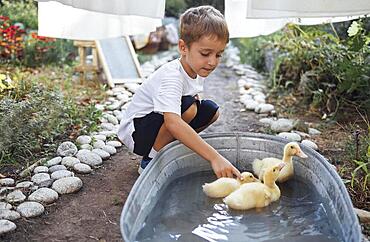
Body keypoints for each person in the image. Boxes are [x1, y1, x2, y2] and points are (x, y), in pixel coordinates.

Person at [117, 5, 241, 179]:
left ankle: (170, 147)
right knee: (189, 109)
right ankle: (150, 161)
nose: (212, 62)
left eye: (218, 55)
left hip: (154, 124)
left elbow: (193, 95)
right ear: (183, 47)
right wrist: (215, 158)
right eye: (205, 53)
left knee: (211, 110)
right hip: (137, 132)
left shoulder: (196, 68)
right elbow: (173, 122)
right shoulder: (172, 76)